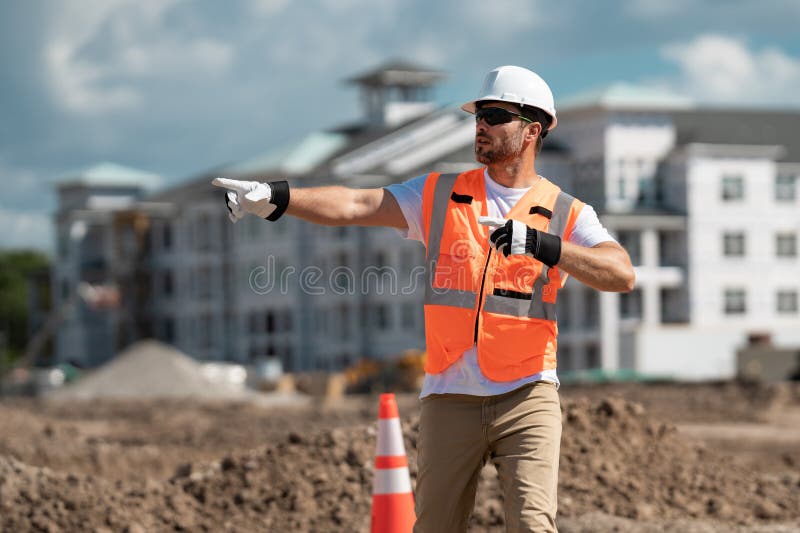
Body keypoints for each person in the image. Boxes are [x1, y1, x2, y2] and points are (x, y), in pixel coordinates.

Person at [213, 65, 635, 532]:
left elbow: (620, 274)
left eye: (495, 115)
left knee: (533, 525)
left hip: (528, 392)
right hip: (449, 394)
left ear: (532, 130)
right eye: (478, 115)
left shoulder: (567, 212)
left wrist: (545, 246)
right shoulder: (440, 194)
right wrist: (275, 198)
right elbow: (355, 205)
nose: (481, 125)